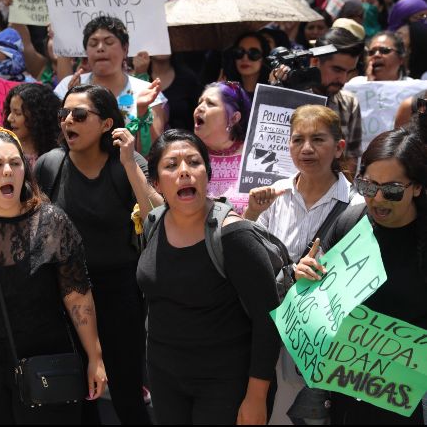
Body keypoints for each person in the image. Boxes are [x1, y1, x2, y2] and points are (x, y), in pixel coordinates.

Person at [0, 126, 107, 423]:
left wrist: (95, 358)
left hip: (45, 364)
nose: (8, 171)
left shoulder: (52, 223)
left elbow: (77, 296)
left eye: (15, 163)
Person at [35, 84, 161, 425]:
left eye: (79, 115)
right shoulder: (49, 165)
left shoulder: (126, 161)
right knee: (79, 393)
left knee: (126, 394)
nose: (67, 122)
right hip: (66, 292)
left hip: (120, 290)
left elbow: (157, 215)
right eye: (63, 115)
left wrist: (131, 164)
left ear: (107, 124)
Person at [137, 128, 281, 424]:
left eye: (193, 162)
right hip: (165, 380)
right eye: (171, 165)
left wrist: (256, 398)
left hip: (224, 384)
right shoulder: (153, 223)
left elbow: (268, 323)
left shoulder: (235, 236)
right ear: (156, 183)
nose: (184, 172)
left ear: (208, 173)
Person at [295, 112, 427, 424]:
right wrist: (302, 273)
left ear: (417, 188)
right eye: (368, 186)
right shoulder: (349, 222)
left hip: (408, 399)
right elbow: (314, 291)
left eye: (392, 190)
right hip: (345, 396)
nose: (378, 199)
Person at [242, 105, 361, 424]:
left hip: (322, 345)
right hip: (270, 335)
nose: (306, 148)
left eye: (318, 139)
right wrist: (251, 215)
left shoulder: (356, 206)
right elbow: (248, 264)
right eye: (298, 140)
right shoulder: (273, 196)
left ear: (338, 147)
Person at [54, 17, 166, 155]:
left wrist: (142, 112)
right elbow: (54, 137)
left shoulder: (146, 91)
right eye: (93, 44)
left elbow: (156, 150)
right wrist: (70, 99)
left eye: (109, 42)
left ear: (125, 49)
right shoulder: (66, 86)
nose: (100, 48)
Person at [272, 27, 365, 175]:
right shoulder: (287, 95)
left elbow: (352, 157)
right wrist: (277, 92)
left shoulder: (350, 103)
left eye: (349, 72)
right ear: (315, 61)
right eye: (337, 70)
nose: (343, 79)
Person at [193, 81, 252, 214]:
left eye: (210, 103)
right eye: (199, 102)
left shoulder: (254, 158)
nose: (200, 108)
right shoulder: (189, 156)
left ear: (234, 118)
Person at [2, 83, 61, 170]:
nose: (9, 118)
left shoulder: (58, 156)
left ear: (37, 117)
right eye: (10, 111)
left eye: (18, 113)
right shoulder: (1, 148)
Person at [222, 32, 271, 99]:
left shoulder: (273, 93)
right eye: (239, 52)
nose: (245, 58)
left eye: (253, 53)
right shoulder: (225, 93)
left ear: (264, 57)